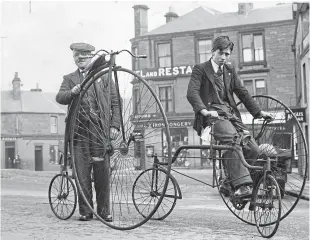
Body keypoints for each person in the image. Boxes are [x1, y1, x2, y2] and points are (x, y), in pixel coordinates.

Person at [187, 36, 273, 197]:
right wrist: (204, 111)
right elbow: (191, 93)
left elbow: (242, 92)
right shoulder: (200, 69)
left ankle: (228, 183)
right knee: (233, 140)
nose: (224, 57)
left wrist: (259, 112)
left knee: (253, 147)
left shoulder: (229, 70)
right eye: (221, 53)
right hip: (212, 117)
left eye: (227, 54)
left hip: (230, 115)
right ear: (213, 51)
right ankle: (241, 186)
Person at [56, 42, 121, 221]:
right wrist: (72, 91)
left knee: (102, 171)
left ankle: (104, 211)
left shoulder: (105, 77)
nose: (80, 59)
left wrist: (114, 125)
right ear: (74, 59)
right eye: (77, 56)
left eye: (84, 56)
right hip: (78, 132)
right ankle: (86, 211)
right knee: (82, 172)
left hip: (99, 131)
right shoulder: (69, 78)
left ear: (91, 57)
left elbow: (116, 102)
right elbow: (60, 97)